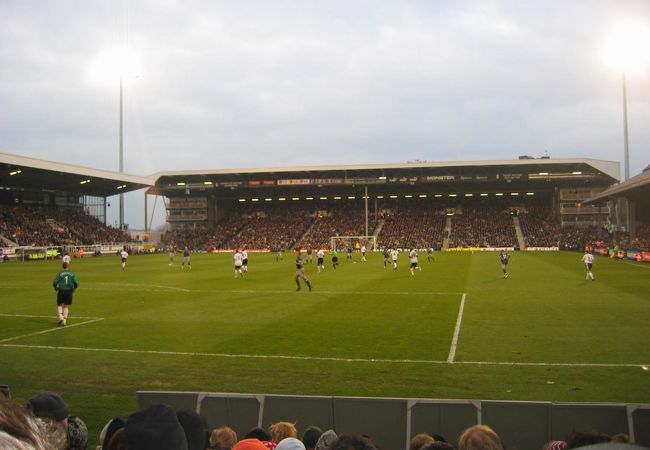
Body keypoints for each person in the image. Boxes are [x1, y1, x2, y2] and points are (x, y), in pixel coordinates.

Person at [53, 261, 78, 326]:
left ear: (62, 267)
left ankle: (60, 317)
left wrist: (55, 287)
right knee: (66, 306)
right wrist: (74, 288)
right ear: (68, 266)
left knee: (59, 304)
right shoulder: (72, 274)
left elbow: (55, 282)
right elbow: (76, 283)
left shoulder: (60, 273)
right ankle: (64, 321)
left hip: (61, 291)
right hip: (69, 291)